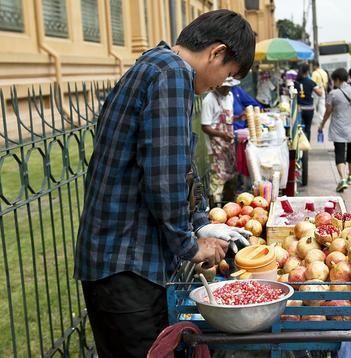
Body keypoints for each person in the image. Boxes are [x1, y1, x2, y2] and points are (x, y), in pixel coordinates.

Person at [74, 10, 255, 357]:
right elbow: (165, 180)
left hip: (120, 265)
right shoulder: (172, 75)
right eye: (227, 74)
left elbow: (179, 165)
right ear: (216, 53)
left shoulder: (157, 67)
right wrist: (189, 246)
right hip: (126, 266)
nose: (220, 84)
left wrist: (202, 225)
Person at [318, 68, 351, 193]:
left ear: (337, 79)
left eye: (333, 80)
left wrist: (322, 124)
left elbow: (328, 111)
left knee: (340, 154)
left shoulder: (333, 94)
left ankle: (342, 179)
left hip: (338, 128)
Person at [201, 77, 239, 205]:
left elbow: (229, 118)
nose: (227, 89)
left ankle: (228, 204)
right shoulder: (209, 100)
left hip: (228, 146)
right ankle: (215, 206)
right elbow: (205, 126)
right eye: (225, 87)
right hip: (215, 147)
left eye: (229, 86)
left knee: (230, 177)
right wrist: (222, 135)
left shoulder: (230, 96)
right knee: (217, 179)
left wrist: (239, 117)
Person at [294, 63, 324, 141]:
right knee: (308, 127)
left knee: (300, 128)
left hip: (299, 109)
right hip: (309, 109)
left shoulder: (295, 82)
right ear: (307, 71)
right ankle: (307, 146)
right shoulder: (310, 82)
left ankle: (300, 144)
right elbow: (320, 93)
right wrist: (320, 87)